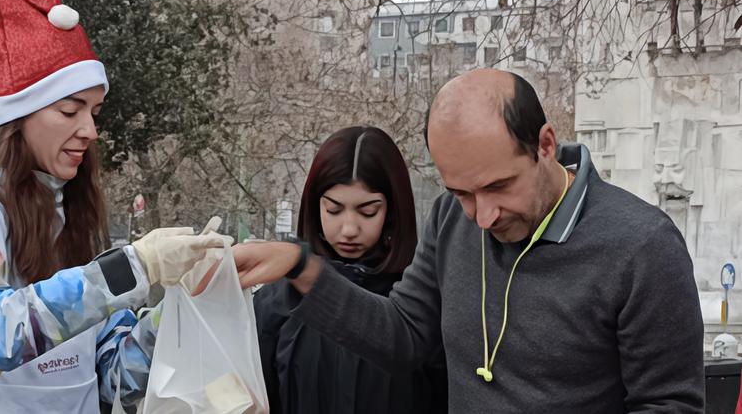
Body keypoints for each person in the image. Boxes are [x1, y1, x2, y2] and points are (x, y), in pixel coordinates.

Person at [233, 69, 704, 413]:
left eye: (498, 187)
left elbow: (669, 405)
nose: (483, 216)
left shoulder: (643, 247)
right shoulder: (449, 221)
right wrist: (303, 267)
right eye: (461, 192)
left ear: (544, 145)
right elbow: (402, 335)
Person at [0, 0, 228, 414]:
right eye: (70, 110)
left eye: (94, 111)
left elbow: (113, 376)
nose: (90, 131)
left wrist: (187, 303)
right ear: (18, 116)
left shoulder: (71, 210)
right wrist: (137, 267)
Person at [252, 126, 447, 413]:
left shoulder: (420, 303)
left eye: (368, 211)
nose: (349, 229)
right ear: (314, 206)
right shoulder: (275, 303)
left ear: (393, 211)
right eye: (333, 210)